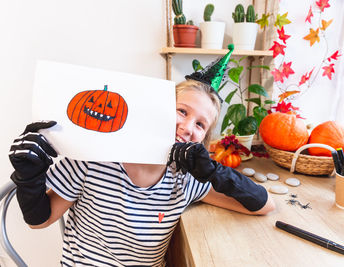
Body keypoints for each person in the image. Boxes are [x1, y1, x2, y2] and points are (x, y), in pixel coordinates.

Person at [8, 47, 275, 266]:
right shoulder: (95, 155)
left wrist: (216, 172)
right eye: (182, 111)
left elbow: (263, 205)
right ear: (158, 108)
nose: (187, 127)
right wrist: (28, 177)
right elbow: (38, 221)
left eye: (200, 124)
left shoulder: (187, 177)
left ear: (203, 138)